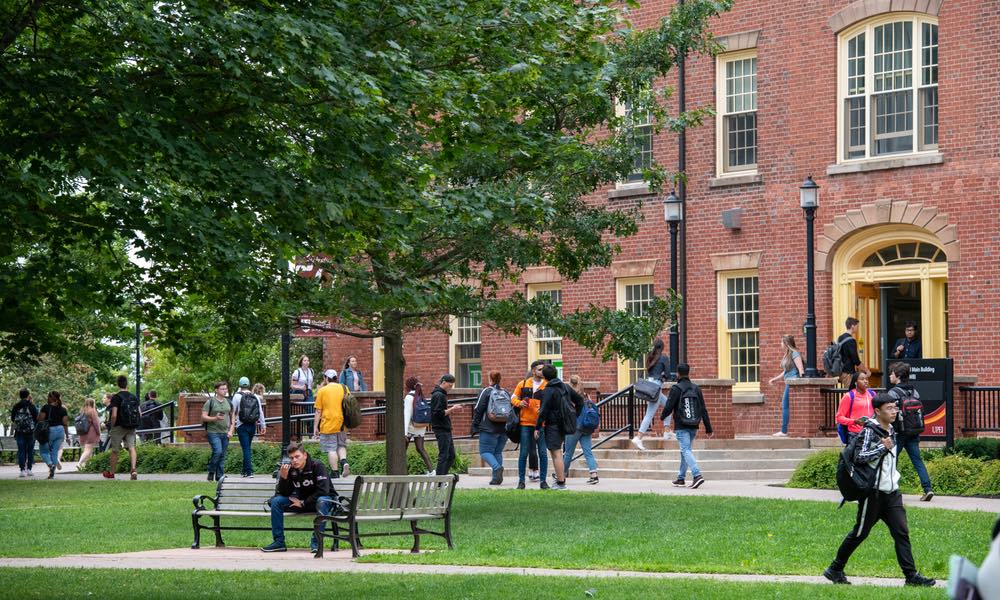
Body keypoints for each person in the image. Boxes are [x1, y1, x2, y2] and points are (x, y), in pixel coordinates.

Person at [823, 394, 936, 587]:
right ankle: (835, 569)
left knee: (901, 533)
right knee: (860, 533)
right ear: (877, 411)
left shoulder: (891, 429)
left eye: (895, 408)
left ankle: (911, 576)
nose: (894, 412)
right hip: (873, 494)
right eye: (889, 408)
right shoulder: (869, 431)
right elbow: (859, 456)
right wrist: (881, 448)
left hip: (892, 493)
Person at [260, 441, 337, 554]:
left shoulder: (317, 466)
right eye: (292, 458)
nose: (294, 460)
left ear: (304, 455)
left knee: (322, 500)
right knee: (277, 501)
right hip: (301, 502)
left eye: (297, 457)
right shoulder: (291, 469)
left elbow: (323, 491)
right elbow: (284, 492)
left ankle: (316, 543)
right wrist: (284, 478)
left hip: (322, 503)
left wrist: (303, 503)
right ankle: (279, 542)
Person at [887, 361, 934, 501]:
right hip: (913, 432)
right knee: (917, 461)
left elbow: (889, 412)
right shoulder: (914, 391)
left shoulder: (893, 392)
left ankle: (890, 490)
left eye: (891, 374)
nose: (890, 376)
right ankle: (928, 489)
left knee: (891, 460)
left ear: (897, 375)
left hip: (899, 433)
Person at [661, 363, 713, 489]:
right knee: (685, 450)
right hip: (694, 425)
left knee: (685, 450)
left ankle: (697, 475)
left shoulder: (676, 388)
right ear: (688, 373)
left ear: (678, 374)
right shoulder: (696, 388)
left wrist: (662, 417)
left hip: (681, 425)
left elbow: (669, 406)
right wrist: (708, 427)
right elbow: (703, 409)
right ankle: (681, 478)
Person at [535, 364, 580, 490]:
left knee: (556, 453)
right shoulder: (565, 387)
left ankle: (560, 482)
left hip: (553, 425)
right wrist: (575, 415)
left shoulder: (548, 390)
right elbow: (580, 401)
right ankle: (560, 480)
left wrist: (537, 427)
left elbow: (543, 411)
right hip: (564, 423)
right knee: (557, 452)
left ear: (544, 376)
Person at [511, 360, 547, 488]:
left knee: (543, 453)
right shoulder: (523, 383)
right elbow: (513, 397)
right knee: (523, 453)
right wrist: (519, 403)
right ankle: (521, 481)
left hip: (541, 424)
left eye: (543, 369)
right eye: (539, 369)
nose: (542, 372)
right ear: (533, 371)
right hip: (525, 424)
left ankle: (543, 481)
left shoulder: (547, 385)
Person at [634, 338, 672, 450]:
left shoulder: (650, 357)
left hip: (650, 385)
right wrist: (663, 377)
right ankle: (638, 438)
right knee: (649, 414)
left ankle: (667, 431)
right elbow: (668, 374)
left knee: (669, 405)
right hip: (656, 387)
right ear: (662, 347)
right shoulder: (664, 358)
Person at [472, 370, 508, 485]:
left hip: (488, 428)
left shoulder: (486, 391)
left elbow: (478, 409)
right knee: (497, 452)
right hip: (503, 428)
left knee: (485, 452)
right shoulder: (505, 392)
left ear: (490, 379)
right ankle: (496, 479)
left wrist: (475, 425)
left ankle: (497, 467)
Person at [313, 369, 351, 478]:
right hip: (342, 423)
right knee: (341, 445)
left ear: (326, 378)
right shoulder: (344, 388)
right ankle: (344, 461)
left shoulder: (322, 391)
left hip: (328, 424)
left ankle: (335, 472)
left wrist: (315, 427)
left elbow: (318, 411)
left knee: (331, 449)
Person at [563, 374, 599, 485]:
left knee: (568, 453)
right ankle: (594, 475)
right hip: (586, 427)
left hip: (574, 427)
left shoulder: (569, 396)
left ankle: (561, 474)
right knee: (588, 452)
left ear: (570, 383)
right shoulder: (585, 395)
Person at [103, 375, 140, 480]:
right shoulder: (133, 397)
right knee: (131, 447)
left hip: (119, 426)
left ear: (117, 384)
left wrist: (112, 426)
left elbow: (114, 415)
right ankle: (133, 470)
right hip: (131, 426)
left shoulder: (116, 397)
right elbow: (140, 413)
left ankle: (112, 473)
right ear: (126, 383)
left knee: (115, 450)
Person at [767, 335, 804, 437]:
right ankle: (785, 430)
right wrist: (774, 379)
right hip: (788, 382)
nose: (780, 344)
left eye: (782, 342)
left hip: (793, 382)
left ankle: (784, 431)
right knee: (787, 406)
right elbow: (785, 371)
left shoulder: (795, 353)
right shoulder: (788, 354)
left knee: (785, 405)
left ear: (786, 343)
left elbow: (801, 369)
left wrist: (801, 383)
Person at [232, 376, 266, 478]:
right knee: (247, 448)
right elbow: (260, 412)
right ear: (249, 385)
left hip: (241, 425)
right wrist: (263, 425)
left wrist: (231, 426)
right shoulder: (255, 396)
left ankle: (249, 471)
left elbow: (232, 411)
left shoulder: (236, 396)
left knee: (246, 449)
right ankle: (244, 470)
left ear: (239, 385)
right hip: (252, 425)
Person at [431, 373, 463, 476]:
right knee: (444, 456)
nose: (451, 388)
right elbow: (438, 413)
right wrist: (452, 409)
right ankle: (439, 480)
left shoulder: (441, 394)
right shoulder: (438, 395)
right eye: (450, 385)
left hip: (445, 428)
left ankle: (442, 478)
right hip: (441, 428)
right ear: (444, 382)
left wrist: (451, 409)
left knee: (451, 456)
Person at [201, 381, 233, 482]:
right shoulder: (210, 402)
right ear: (216, 390)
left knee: (222, 455)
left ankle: (219, 476)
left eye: (225, 388)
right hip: (213, 432)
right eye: (222, 389)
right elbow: (203, 417)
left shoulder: (229, 402)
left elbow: (233, 418)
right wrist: (215, 418)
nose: (225, 391)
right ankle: (211, 472)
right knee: (217, 451)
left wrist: (231, 431)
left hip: (225, 432)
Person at [402, 376, 434, 474]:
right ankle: (432, 471)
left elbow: (407, 415)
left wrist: (404, 433)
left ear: (408, 386)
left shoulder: (409, 397)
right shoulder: (420, 395)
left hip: (410, 427)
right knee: (420, 449)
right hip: (420, 426)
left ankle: (403, 472)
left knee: (402, 451)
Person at [835, 371, 876, 444]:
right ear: (856, 382)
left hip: (871, 433)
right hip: (855, 435)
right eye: (862, 379)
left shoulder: (872, 394)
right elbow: (839, 418)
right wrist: (855, 421)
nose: (865, 381)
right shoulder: (849, 396)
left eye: (866, 379)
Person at [37, 391, 69, 479]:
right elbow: (65, 423)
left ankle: (50, 465)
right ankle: (52, 474)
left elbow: (40, 419)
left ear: (51, 398)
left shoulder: (46, 407)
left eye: (48, 397)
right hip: (60, 431)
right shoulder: (63, 409)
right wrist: (67, 436)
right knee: (54, 452)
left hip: (49, 430)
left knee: (44, 451)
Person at [10, 388, 38, 478]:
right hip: (30, 432)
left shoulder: (16, 406)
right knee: (30, 450)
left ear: (20, 395)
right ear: (28, 395)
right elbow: (36, 418)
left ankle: (22, 470)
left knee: (21, 450)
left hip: (19, 432)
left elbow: (13, 418)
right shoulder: (31, 406)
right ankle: (29, 469)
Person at [837, 317, 869, 388]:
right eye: (857, 326)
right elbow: (856, 360)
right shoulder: (851, 341)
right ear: (852, 326)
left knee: (852, 392)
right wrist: (867, 371)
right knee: (852, 392)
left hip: (841, 372)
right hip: (848, 373)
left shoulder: (840, 338)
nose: (857, 328)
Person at [75, 398, 102, 470]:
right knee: (88, 450)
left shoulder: (82, 410)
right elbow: (96, 423)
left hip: (83, 433)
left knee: (88, 449)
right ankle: (79, 463)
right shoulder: (92, 411)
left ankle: (88, 465)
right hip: (91, 433)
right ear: (92, 403)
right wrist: (99, 432)